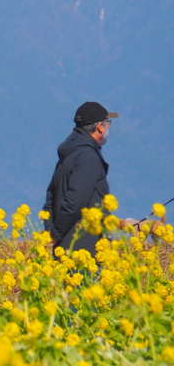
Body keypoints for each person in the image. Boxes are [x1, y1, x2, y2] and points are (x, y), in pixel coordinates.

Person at [42, 101, 117, 257]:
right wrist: (55, 234)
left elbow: (51, 197)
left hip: (65, 248)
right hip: (85, 250)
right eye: (108, 123)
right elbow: (75, 202)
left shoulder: (69, 154)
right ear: (100, 127)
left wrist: (50, 232)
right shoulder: (88, 157)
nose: (109, 127)